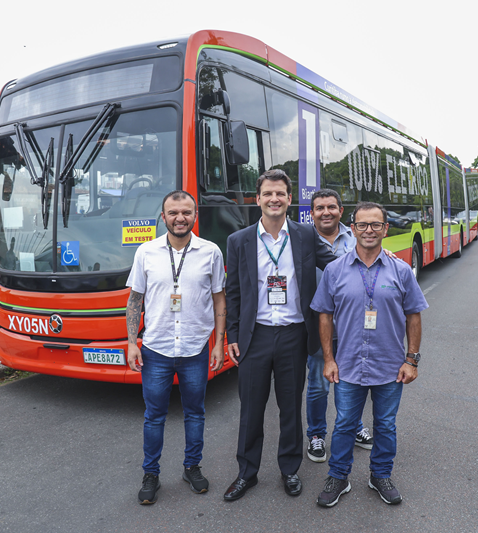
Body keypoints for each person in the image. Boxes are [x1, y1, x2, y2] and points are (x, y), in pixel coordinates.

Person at [223, 169, 338, 501]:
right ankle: (247, 473)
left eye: (281, 194)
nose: (274, 199)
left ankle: (290, 469)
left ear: (290, 199)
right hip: (254, 336)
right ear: (257, 199)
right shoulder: (239, 240)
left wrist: (373, 257)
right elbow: (233, 293)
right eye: (267, 193)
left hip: (292, 335)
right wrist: (232, 333)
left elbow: (334, 265)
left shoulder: (304, 235)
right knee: (251, 410)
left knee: (290, 408)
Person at [311, 201, 428, 508]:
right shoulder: (334, 271)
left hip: (390, 366)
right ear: (353, 228)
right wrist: (328, 359)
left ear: (385, 229)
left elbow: (414, 315)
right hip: (348, 364)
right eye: (362, 225)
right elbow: (324, 315)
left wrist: (411, 359)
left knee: (385, 425)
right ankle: (338, 476)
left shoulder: (401, 271)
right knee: (346, 423)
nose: (369, 231)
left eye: (376, 225)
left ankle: (380, 475)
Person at [126, 190, 226, 505]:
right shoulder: (146, 252)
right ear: (163, 216)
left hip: (195, 348)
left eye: (186, 212)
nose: (180, 218)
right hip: (155, 349)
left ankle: (191, 467)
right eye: (173, 212)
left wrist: (218, 343)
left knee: (195, 413)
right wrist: (131, 343)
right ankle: (151, 474)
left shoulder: (211, 252)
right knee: (154, 415)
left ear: (195, 215)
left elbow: (219, 298)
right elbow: (135, 300)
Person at [306, 189, 372, 464]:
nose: (326, 212)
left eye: (331, 207)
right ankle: (316, 435)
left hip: (351, 326)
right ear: (312, 213)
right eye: (319, 208)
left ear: (341, 211)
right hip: (317, 326)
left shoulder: (356, 235)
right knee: (319, 384)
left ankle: (354, 427)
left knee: (352, 382)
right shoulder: (301, 239)